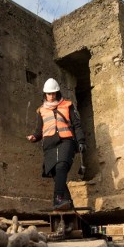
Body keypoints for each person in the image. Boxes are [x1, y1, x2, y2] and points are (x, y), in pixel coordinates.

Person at [27, 78, 86, 210]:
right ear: (45, 94)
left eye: (53, 93)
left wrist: (81, 140)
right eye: (49, 93)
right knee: (56, 174)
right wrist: (34, 137)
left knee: (61, 167)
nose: (51, 96)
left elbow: (77, 125)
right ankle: (68, 203)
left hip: (66, 141)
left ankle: (57, 200)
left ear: (57, 92)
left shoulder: (68, 105)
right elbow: (39, 130)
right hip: (49, 145)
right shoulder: (41, 110)